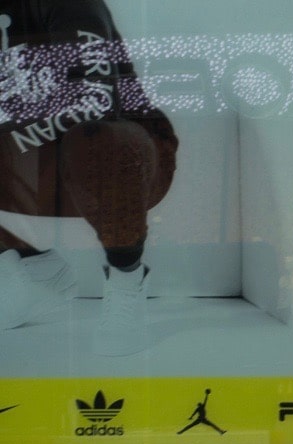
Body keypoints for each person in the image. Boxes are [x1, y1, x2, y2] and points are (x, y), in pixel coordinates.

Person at [0, 0, 179, 355]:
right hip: (41, 159)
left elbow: (96, 101)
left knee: (100, 139)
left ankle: (127, 280)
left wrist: (12, 141)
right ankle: (37, 270)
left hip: (125, 150)